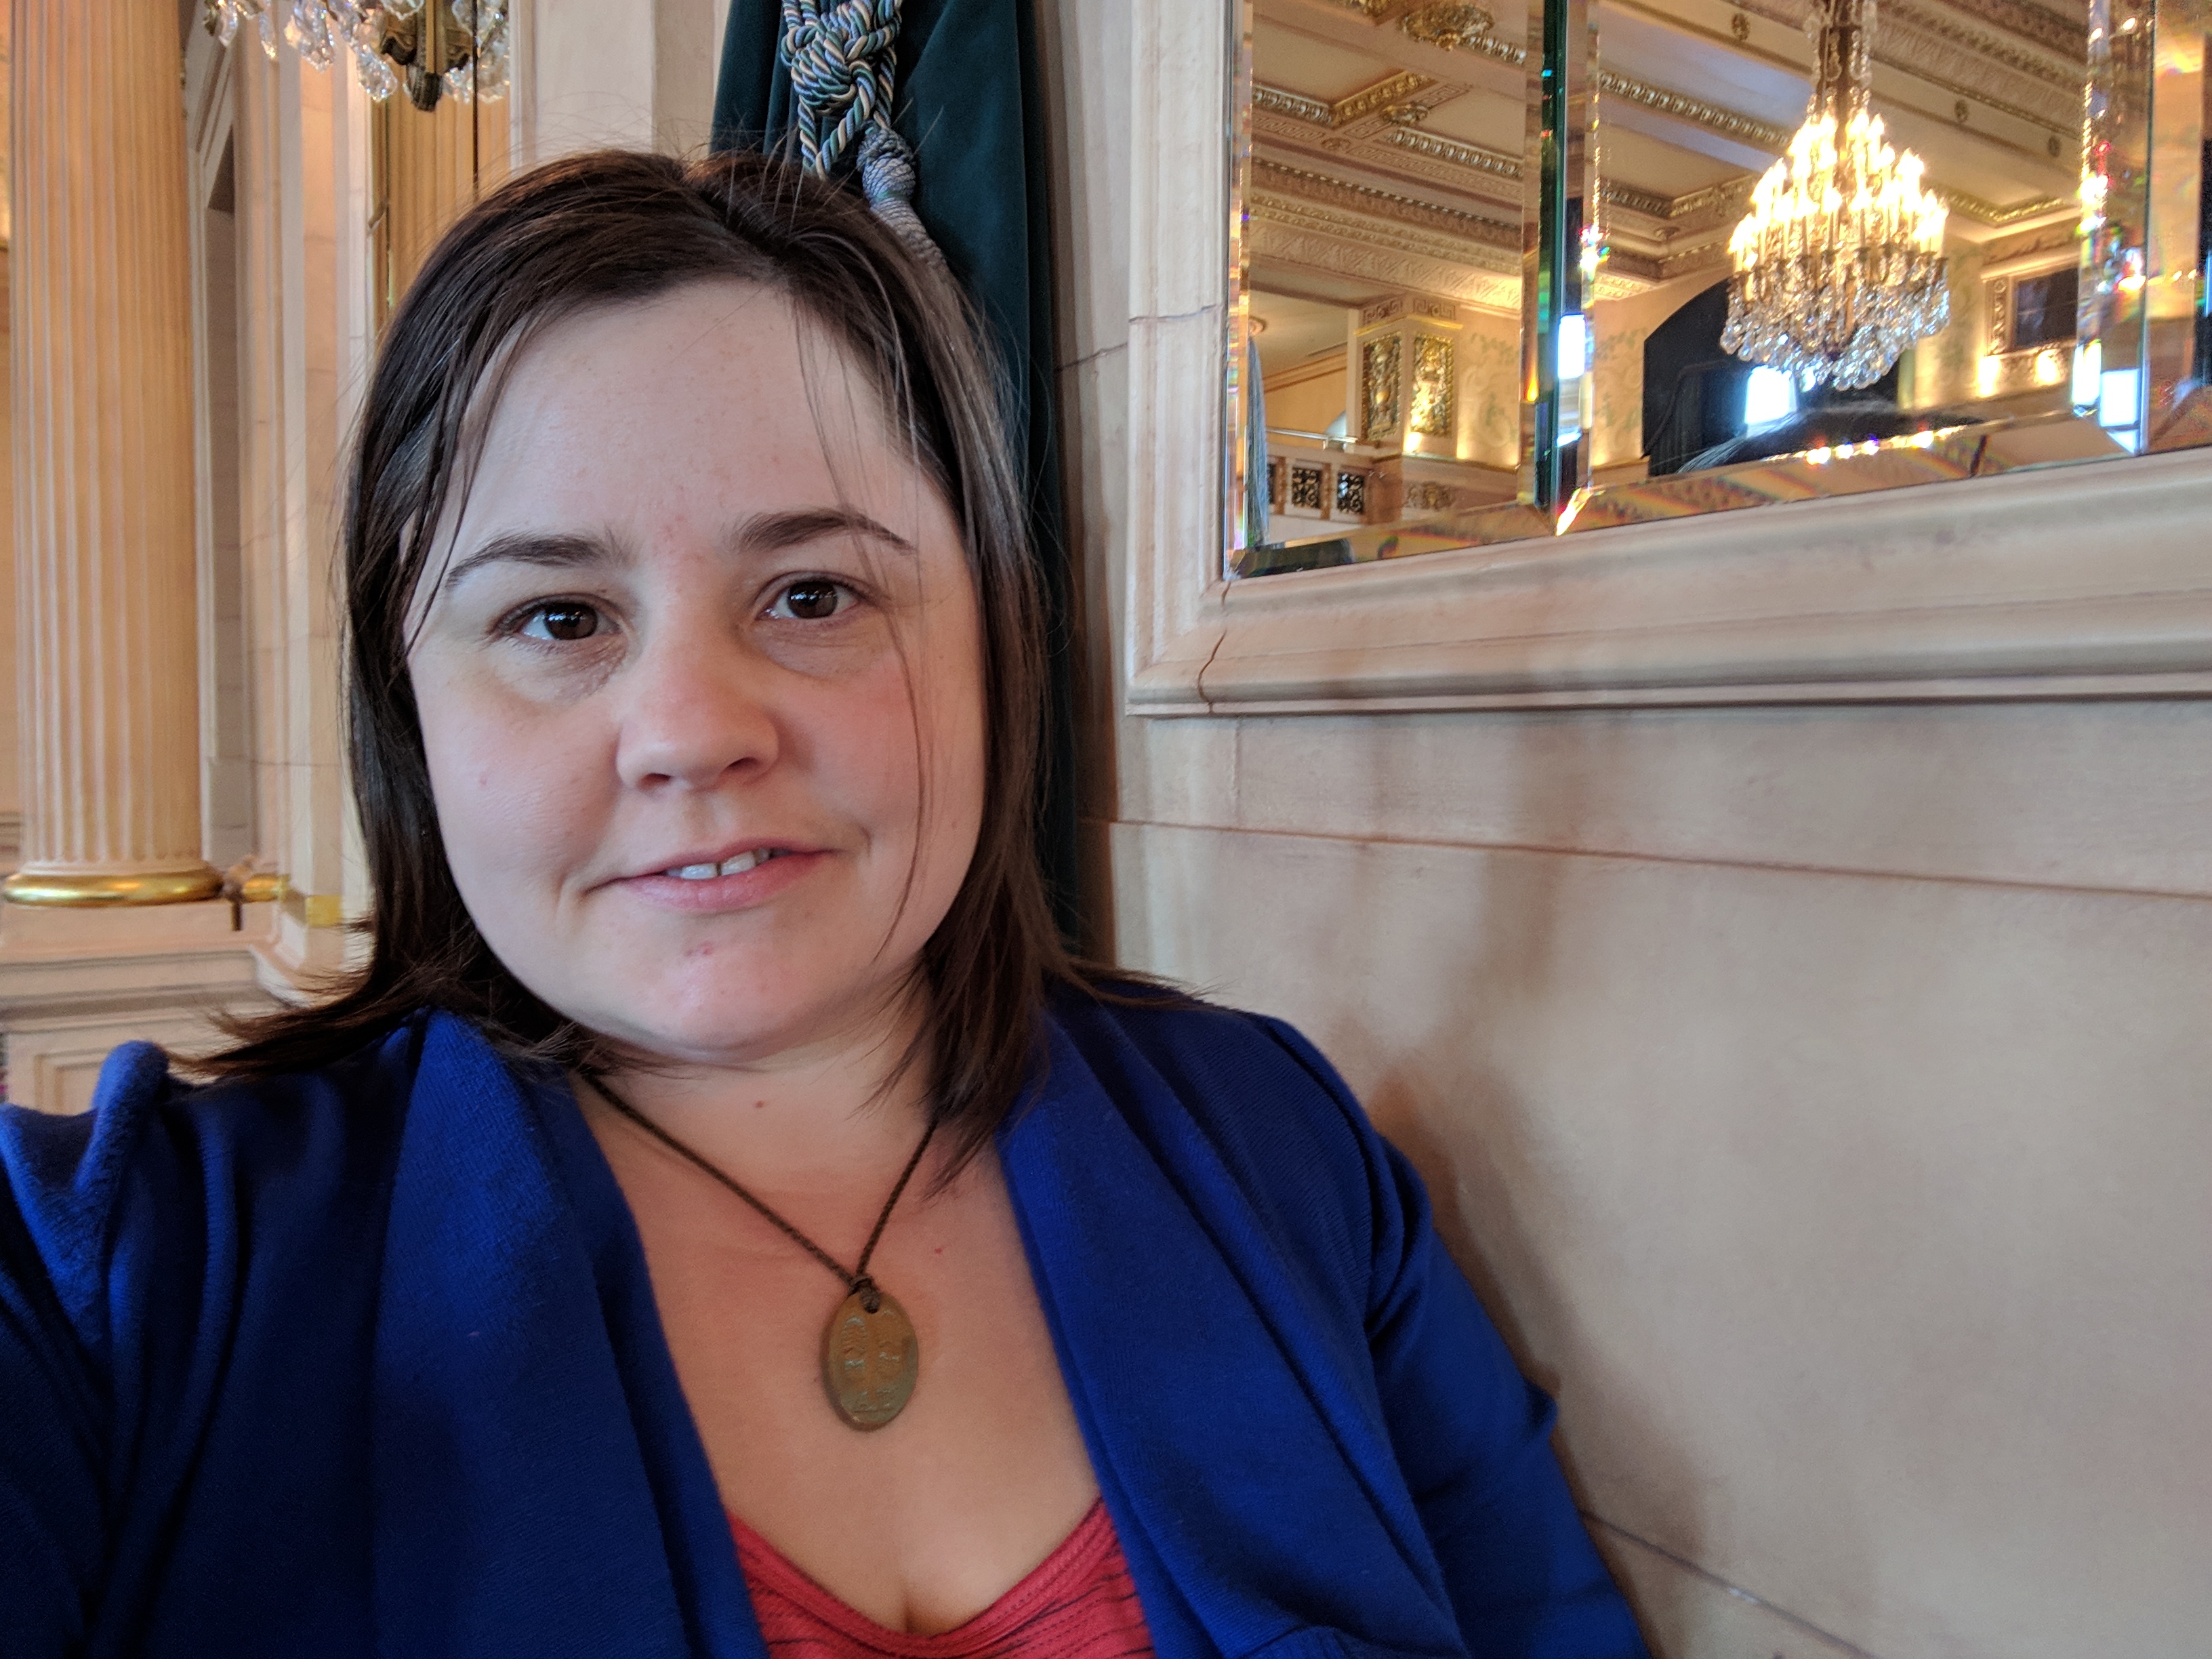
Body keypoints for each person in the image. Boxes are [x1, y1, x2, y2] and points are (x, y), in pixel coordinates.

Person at [0, 150, 1649, 1659]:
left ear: (991, 641)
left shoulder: (1278, 1146)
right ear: (409, 708)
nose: (691, 731)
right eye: (560, 618)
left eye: (812, 593)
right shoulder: (124, 1270)